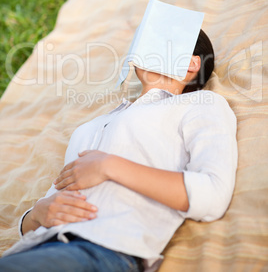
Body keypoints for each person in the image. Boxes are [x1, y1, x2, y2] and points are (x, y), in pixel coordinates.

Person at [0, 30, 237, 272]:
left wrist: (109, 166)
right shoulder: (93, 126)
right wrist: (36, 214)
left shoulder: (202, 104)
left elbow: (213, 193)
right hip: (36, 247)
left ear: (191, 63)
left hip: (103, 251)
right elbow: (51, 199)